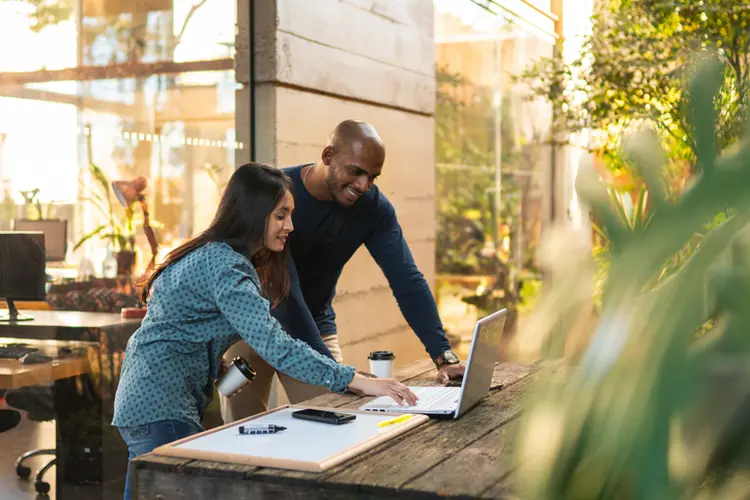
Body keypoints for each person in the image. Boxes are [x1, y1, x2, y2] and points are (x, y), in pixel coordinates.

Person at [112, 163, 417, 500]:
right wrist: (357, 379)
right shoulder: (227, 267)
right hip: (161, 405)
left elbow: (177, 325)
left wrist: (213, 362)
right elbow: (276, 345)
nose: (290, 226)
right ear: (254, 215)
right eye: (281, 216)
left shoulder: (208, 254)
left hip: (144, 397)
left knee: (147, 490)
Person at [221, 121, 467, 422]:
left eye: (372, 177)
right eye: (356, 171)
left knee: (336, 421)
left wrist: (443, 355)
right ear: (328, 156)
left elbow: (407, 280)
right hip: (252, 327)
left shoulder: (374, 210)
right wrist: (340, 373)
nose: (364, 185)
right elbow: (286, 291)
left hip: (315, 326)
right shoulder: (279, 197)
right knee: (242, 431)